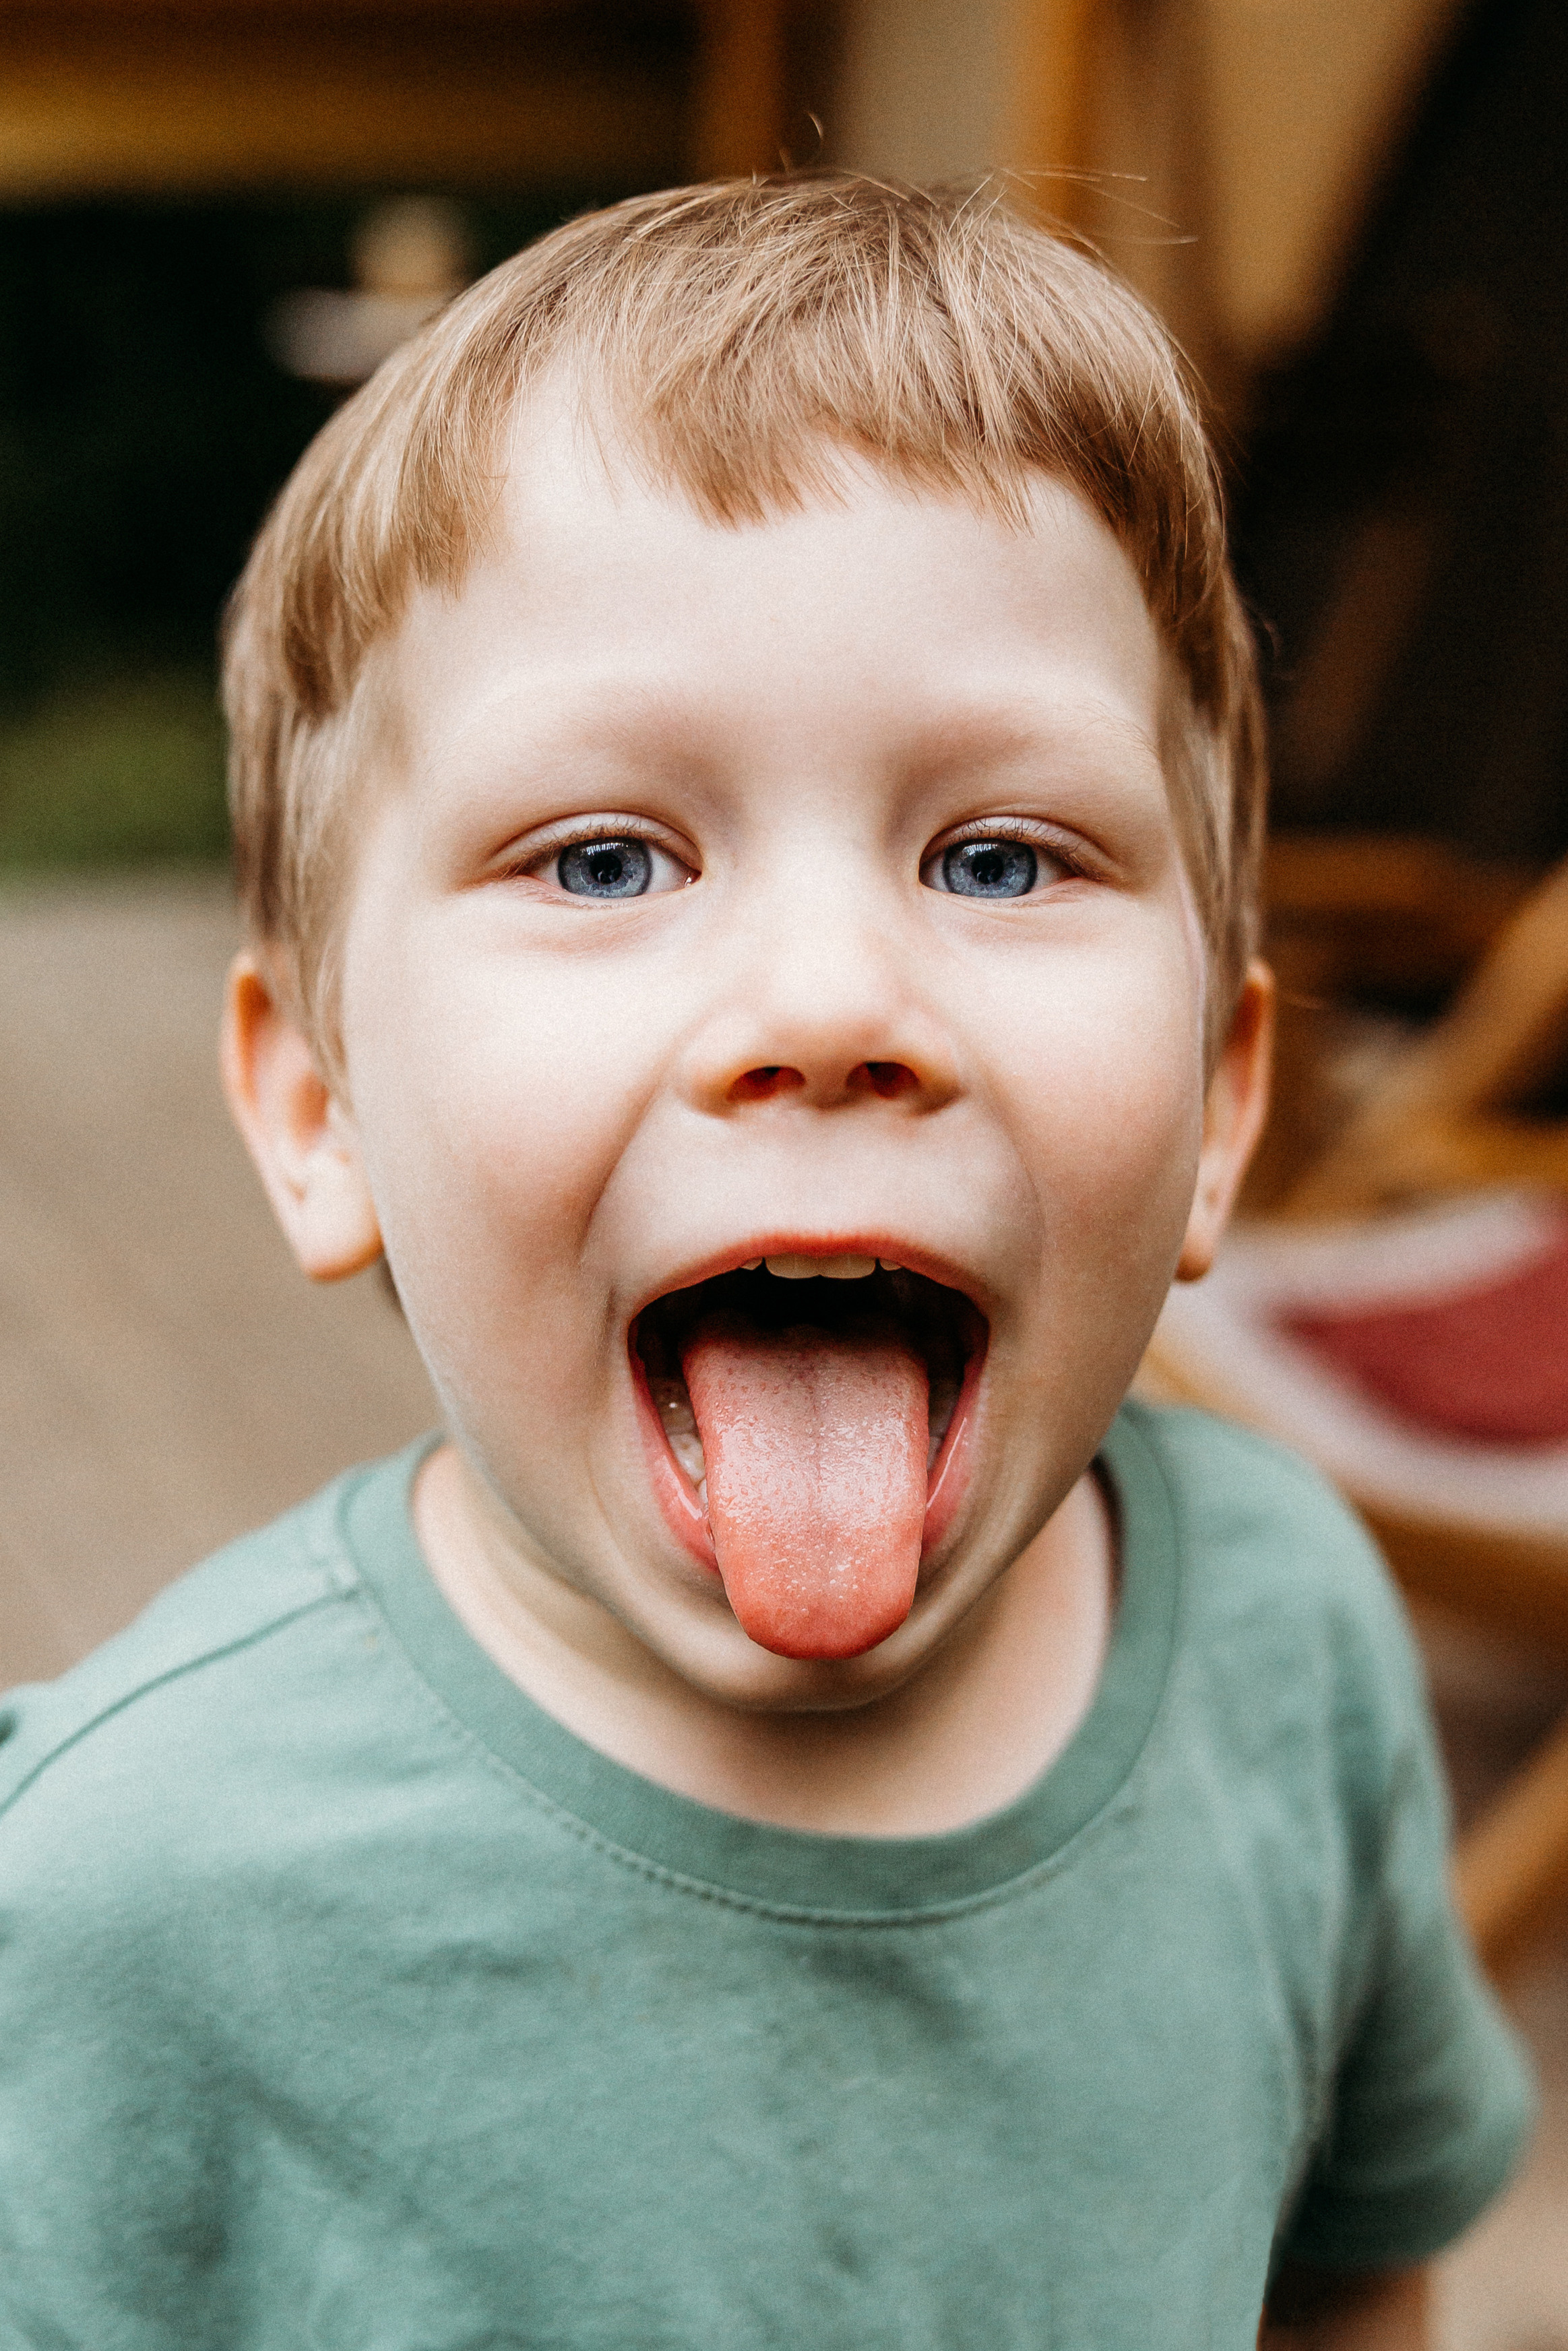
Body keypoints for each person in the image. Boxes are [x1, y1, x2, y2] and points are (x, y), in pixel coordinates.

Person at [0, 177, 1532, 2349]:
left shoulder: (1283, 1653)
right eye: (606, 855)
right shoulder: (122, 1899)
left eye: (1001, 853)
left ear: (1219, 1090)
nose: (830, 998)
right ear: (321, 1104)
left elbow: (1348, 2279)